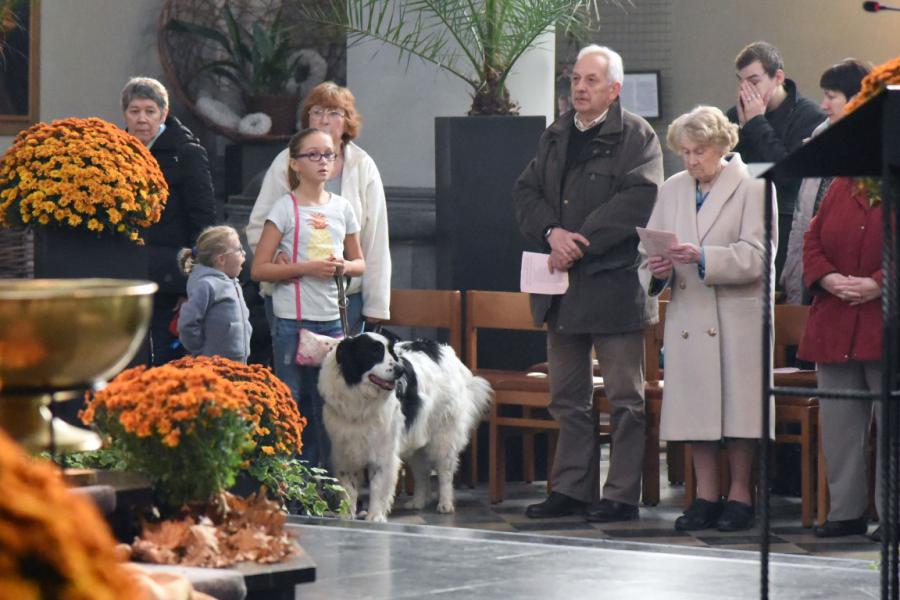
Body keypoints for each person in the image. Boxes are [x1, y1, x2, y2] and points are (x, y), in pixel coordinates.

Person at [512, 45, 664, 522]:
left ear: (614, 89)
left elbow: (640, 198)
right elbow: (527, 191)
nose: (579, 87)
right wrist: (550, 233)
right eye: (576, 79)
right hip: (562, 290)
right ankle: (573, 489)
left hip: (614, 285)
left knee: (624, 398)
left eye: (591, 80)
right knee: (567, 396)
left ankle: (620, 494)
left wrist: (580, 242)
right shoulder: (556, 134)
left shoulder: (637, 136)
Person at [639, 106, 776, 532]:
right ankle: (703, 495)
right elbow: (647, 255)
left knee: (739, 413)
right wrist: (657, 271)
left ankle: (739, 496)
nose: (691, 160)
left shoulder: (754, 184)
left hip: (737, 316)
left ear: (721, 146)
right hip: (689, 314)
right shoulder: (673, 188)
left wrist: (704, 258)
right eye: (685, 152)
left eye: (699, 151)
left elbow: (759, 256)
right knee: (697, 409)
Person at [250, 128, 366, 469]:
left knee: (328, 405)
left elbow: (359, 263)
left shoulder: (342, 208)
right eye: (313, 155)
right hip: (292, 321)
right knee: (292, 402)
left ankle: (325, 480)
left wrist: (343, 265)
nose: (322, 162)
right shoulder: (284, 208)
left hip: (331, 319)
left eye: (329, 155)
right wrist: (304, 268)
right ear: (295, 163)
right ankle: (290, 479)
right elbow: (259, 268)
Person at [246, 82, 390, 336]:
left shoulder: (363, 165)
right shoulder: (286, 161)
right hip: (290, 295)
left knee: (340, 374)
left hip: (344, 296)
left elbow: (375, 238)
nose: (324, 120)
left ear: (347, 122)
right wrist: (275, 255)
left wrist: (377, 304)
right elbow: (260, 222)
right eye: (317, 112)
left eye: (334, 113)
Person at [799, 176, 883, 539]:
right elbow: (812, 241)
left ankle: (893, 514)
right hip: (836, 319)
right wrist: (829, 278)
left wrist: (880, 282)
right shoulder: (839, 185)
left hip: (885, 320)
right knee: (840, 424)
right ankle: (846, 511)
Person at [121, 77, 217, 366]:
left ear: (163, 114)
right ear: (124, 114)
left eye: (150, 111)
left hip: (172, 275)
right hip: (127, 272)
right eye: (134, 111)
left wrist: (192, 283)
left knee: (165, 357)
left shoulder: (186, 152)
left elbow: (203, 221)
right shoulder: (116, 153)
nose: (141, 119)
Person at [725, 42, 824, 280]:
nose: (745, 90)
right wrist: (743, 127)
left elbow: (791, 175)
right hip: (741, 224)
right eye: (741, 81)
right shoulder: (734, 115)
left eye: (754, 81)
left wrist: (756, 123)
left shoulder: (810, 117)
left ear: (778, 76)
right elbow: (732, 172)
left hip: (786, 224)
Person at [780, 59, 873, 305]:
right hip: (817, 278)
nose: (823, 105)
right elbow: (804, 222)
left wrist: (879, 282)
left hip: (865, 286)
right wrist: (796, 279)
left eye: (831, 97)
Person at [176, 225, 252, 364]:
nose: (244, 253)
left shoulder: (233, 283)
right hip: (213, 366)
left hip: (237, 364)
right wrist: (201, 352)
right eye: (239, 249)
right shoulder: (206, 285)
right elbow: (187, 323)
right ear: (221, 259)